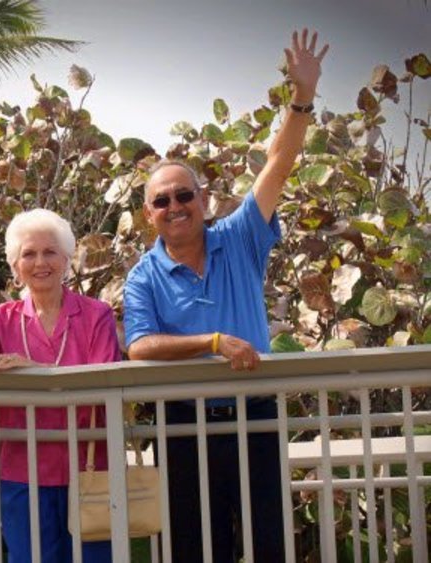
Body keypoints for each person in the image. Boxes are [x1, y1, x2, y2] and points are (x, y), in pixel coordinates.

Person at [122, 29, 328, 562]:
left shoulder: (239, 238)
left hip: (253, 412)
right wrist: (212, 341)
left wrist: (301, 99)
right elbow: (138, 346)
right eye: (162, 200)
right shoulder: (143, 275)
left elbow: (277, 166)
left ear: (204, 198)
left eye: (184, 194)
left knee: (268, 544)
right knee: (192, 549)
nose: (176, 206)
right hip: (182, 423)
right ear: (150, 214)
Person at [0, 209, 123, 563]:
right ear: (15, 265)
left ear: (67, 260)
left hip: (88, 472)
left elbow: (102, 382)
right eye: (29, 253)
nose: (40, 262)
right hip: (21, 474)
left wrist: (35, 370)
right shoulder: (3, 318)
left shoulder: (96, 314)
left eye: (50, 252)